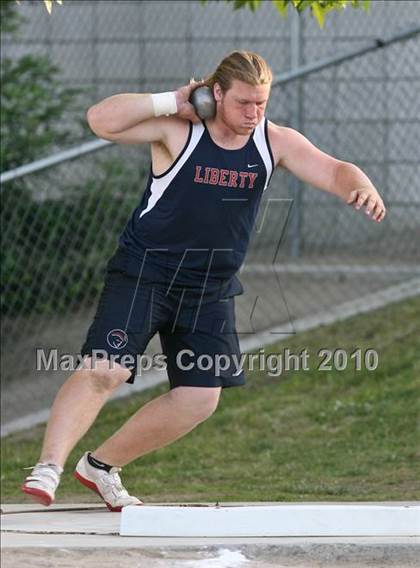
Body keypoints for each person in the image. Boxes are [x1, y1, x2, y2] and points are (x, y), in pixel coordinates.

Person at [21, 50, 386, 511]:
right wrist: (170, 99)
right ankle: (49, 466)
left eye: (262, 103)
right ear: (215, 95)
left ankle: (100, 467)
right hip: (145, 272)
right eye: (243, 103)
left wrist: (362, 185)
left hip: (209, 287)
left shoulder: (274, 142)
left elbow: (334, 169)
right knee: (105, 369)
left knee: (198, 398)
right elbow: (101, 120)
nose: (254, 113)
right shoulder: (179, 130)